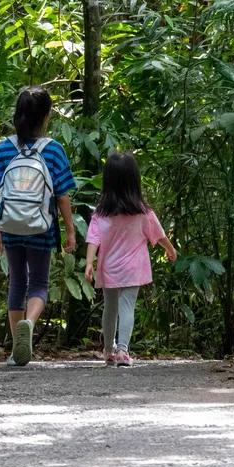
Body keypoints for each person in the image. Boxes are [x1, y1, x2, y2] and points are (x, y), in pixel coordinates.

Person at [0, 86, 76, 366]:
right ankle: (30, 324)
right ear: (46, 116)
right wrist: (70, 232)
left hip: (10, 226)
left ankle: (15, 352)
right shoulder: (53, 150)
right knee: (38, 283)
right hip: (41, 226)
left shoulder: (3, 148)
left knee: (17, 283)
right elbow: (62, 197)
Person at [85, 151, 176, 367]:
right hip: (133, 269)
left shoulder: (101, 213)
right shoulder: (143, 213)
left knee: (110, 308)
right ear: (134, 180)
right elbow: (159, 235)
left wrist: (89, 262)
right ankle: (123, 351)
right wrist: (170, 249)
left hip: (109, 268)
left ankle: (108, 350)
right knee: (127, 307)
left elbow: (93, 240)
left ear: (107, 181)